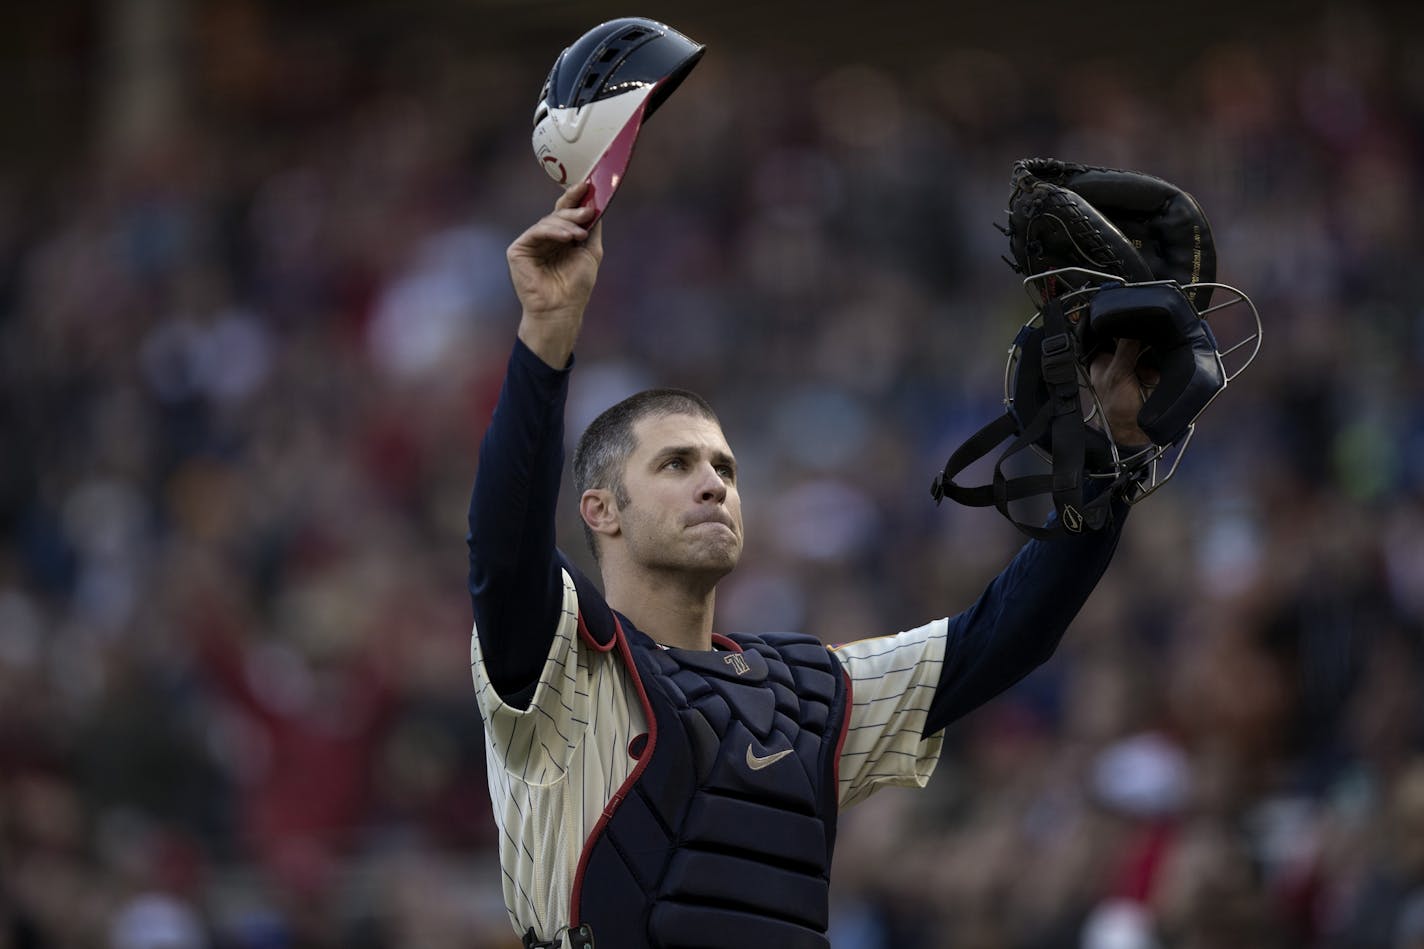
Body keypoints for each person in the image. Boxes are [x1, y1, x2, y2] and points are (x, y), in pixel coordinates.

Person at [467, 180, 1152, 949]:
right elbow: (503, 551)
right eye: (676, 464)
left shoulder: (810, 692)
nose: (713, 482)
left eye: (725, 466)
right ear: (600, 510)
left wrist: (1113, 453)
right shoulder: (562, 667)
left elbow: (1002, 636)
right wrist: (547, 333)